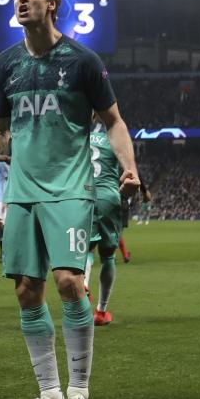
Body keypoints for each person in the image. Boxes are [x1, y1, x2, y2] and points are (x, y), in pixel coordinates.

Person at [0, 0, 140, 399]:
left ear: (52, 2)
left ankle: (79, 394)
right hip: (23, 193)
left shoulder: (83, 61)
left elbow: (112, 120)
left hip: (70, 188)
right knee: (26, 290)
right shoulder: (4, 65)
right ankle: (49, 393)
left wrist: (129, 167)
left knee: (70, 281)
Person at [85, 118, 123, 326]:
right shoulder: (114, 135)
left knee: (87, 250)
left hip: (84, 194)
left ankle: (82, 283)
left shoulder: (82, 134)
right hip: (108, 195)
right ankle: (101, 311)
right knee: (108, 256)